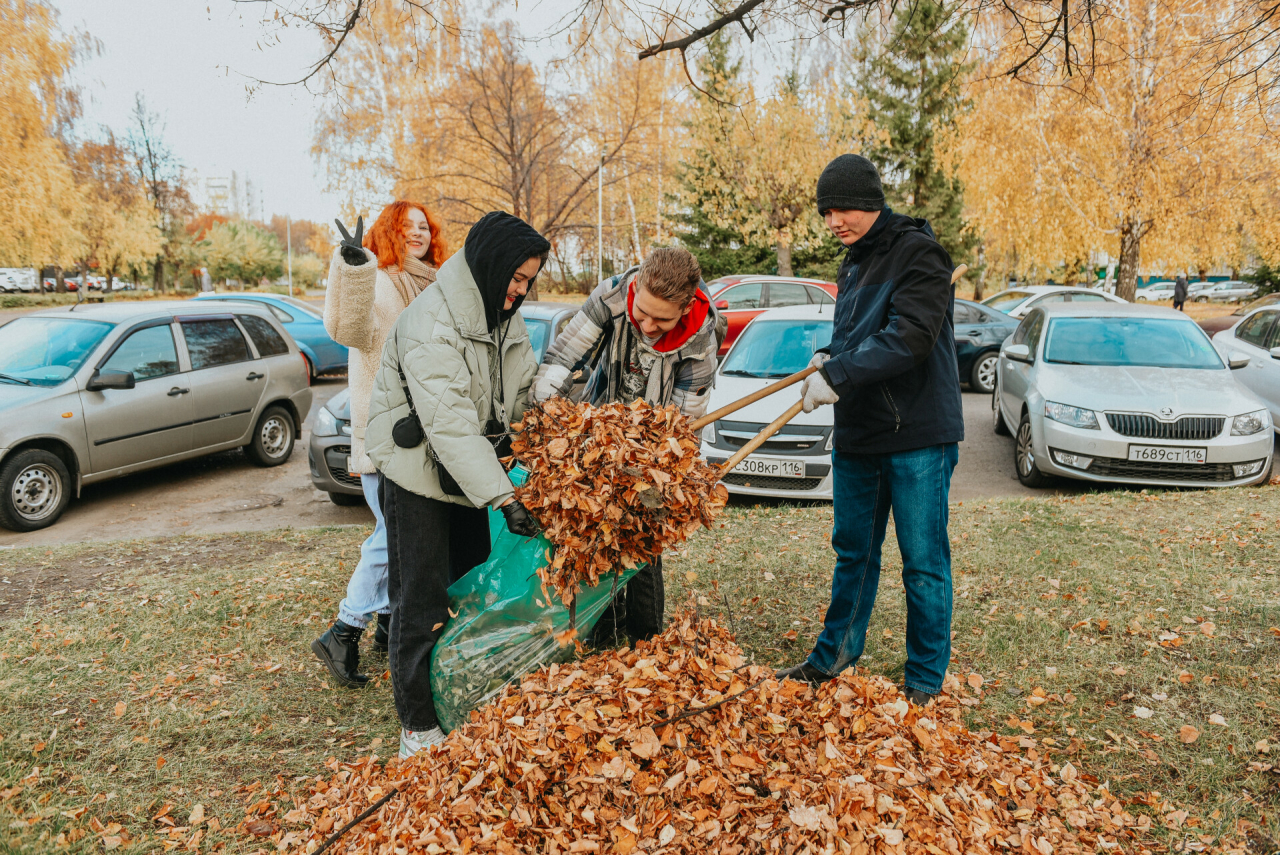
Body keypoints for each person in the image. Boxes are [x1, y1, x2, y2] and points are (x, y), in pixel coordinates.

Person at [776, 154, 963, 707]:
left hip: (917, 436)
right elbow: (864, 337)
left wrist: (839, 371)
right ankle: (831, 658)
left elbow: (911, 336)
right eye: (826, 211)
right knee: (853, 553)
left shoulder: (919, 253)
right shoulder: (851, 263)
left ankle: (925, 682)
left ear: (872, 200)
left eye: (843, 209)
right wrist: (829, 356)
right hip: (860, 434)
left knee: (923, 561)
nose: (834, 221)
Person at [364, 210, 547, 757]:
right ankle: (417, 726)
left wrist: (551, 426)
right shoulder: (431, 321)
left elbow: (519, 393)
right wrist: (504, 497)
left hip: (469, 472)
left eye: (529, 281)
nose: (521, 290)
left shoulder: (502, 315)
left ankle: (455, 690)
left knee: (469, 585)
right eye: (516, 278)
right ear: (491, 266)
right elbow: (449, 422)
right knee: (420, 598)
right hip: (417, 470)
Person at [530, 247, 721, 645]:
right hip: (601, 431)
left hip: (653, 447)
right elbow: (564, 355)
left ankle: (645, 641)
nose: (647, 325)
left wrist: (662, 477)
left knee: (642, 540)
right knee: (595, 531)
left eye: (661, 319)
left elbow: (684, 429)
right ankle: (600, 638)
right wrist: (545, 407)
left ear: (685, 309)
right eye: (642, 313)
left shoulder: (701, 342)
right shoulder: (612, 297)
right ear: (636, 289)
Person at [311, 201, 449, 689]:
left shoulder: (432, 283)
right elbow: (346, 327)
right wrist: (351, 267)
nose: (418, 234)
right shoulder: (383, 284)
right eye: (407, 226)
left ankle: (388, 623)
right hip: (385, 437)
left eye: (424, 227)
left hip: (426, 438)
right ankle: (343, 631)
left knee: (405, 537)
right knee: (394, 538)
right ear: (389, 232)